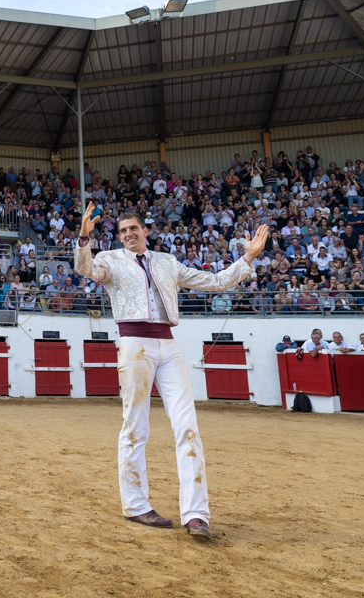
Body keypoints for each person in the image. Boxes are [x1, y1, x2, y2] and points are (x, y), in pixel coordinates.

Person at [74, 204, 268, 539]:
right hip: (134, 343)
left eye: (133, 229)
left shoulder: (166, 262)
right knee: (135, 425)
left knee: (187, 426)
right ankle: (135, 505)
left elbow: (216, 281)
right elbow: (86, 268)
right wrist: (83, 239)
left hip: (168, 343)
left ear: (145, 231)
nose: (128, 235)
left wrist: (247, 258)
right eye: (122, 231)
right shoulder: (109, 259)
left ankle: (196, 514)